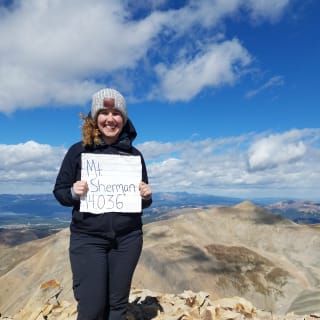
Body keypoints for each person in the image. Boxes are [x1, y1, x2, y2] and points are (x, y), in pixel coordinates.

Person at [53, 88, 152, 320]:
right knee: (92, 306)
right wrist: (73, 193)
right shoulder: (78, 152)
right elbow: (59, 192)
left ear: (124, 118)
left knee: (117, 305)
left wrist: (146, 196)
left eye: (116, 113)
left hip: (128, 239)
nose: (110, 119)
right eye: (104, 112)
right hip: (88, 239)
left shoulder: (134, 156)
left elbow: (142, 202)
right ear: (95, 117)